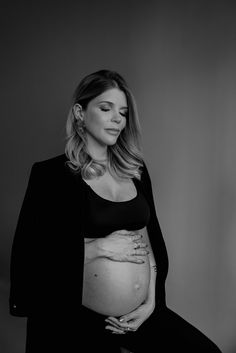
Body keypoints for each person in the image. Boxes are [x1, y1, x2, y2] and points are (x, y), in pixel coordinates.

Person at [9, 69, 222, 353]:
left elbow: (149, 241)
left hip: (138, 314)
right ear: (80, 112)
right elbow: (29, 254)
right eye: (106, 108)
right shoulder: (50, 176)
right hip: (77, 317)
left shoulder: (136, 171)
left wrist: (151, 302)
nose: (117, 119)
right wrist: (96, 247)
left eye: (122, 112)